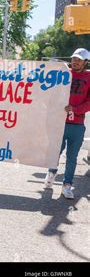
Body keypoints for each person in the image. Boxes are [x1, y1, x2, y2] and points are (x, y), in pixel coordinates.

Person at [45, 48, 90, 199]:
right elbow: (51, 91)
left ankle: (67, 185)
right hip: (60, 122)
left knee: (72, 157)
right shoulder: (64, 73)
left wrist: (75, 109)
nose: (75, 62)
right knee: (55, 151)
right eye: (73, 59)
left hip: (77, 125)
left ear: (85, 62)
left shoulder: (89, 77)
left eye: (79, 59)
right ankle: (51, 172)